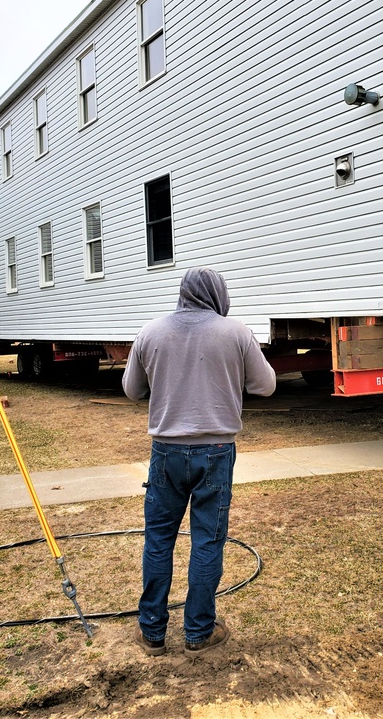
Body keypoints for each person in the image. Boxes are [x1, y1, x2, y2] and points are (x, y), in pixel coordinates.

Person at [123, 268, 277, 656]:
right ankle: (198, 633)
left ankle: (152, 633)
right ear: (218, 295)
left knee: (159, 539)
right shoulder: (235, 332)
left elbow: (131, 390)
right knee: (207, 540)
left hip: (165, 453)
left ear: (183, 293)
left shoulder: (151, 331)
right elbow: (266, 385)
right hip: (216, 452)